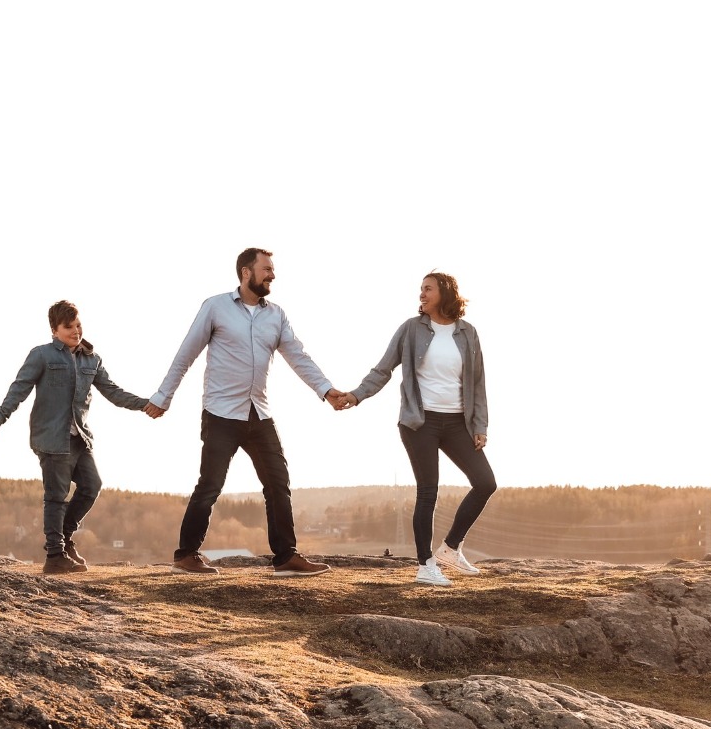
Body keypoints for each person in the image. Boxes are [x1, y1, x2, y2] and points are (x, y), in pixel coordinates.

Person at [146, 248, 348, 576]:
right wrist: (163, 397)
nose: (272, 275)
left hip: (259, 413)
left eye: (272, 270)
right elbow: (186, 355)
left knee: (278, 482)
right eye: (266, 269)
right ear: (246, 272)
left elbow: (298, 356)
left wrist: (326, 390)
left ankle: (286, 557)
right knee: (210, 484)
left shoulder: (276, 315)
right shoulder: (216, 307)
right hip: (220, 413)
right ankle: (186, 555)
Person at [337, 271, 494, 586]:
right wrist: (356, 395)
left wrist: (480, 425)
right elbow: (383, 369)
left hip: (458, 423)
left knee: (485, 483)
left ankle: (450, 548)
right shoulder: (411, 329)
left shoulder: (468, 332)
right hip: (420, 422)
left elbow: (478, 382)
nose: (422, 294)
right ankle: (426, 565)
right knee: (428, 491)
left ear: (445, 292)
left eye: (428, 289)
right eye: (421, 289)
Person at [0, 300, 159, 575]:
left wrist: (146, 404)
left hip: (79, 437)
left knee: (91, 486)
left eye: (78, 325)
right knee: (56, 497)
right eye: (69, 327)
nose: (76, 331)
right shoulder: (41, 355)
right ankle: (55, 556)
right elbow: (18, 390)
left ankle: (63, 539)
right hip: (52, 437)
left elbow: (113, 392)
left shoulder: (92, 359)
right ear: (54, 330)